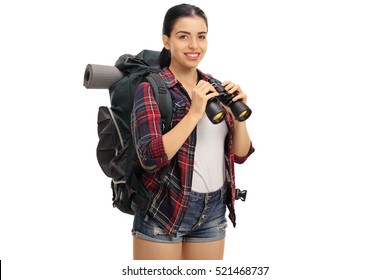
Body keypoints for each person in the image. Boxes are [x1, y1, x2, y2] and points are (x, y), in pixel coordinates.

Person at [130, 3, 254, 260]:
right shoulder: (151, 88)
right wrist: (194, 113)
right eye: (183, 36)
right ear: (167, 41)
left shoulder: (215, 86)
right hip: (164, 209)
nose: (194, 46)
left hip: (213, 211)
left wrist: (238, 117)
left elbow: (240, 155)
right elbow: (150, 157)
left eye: (201, 36)